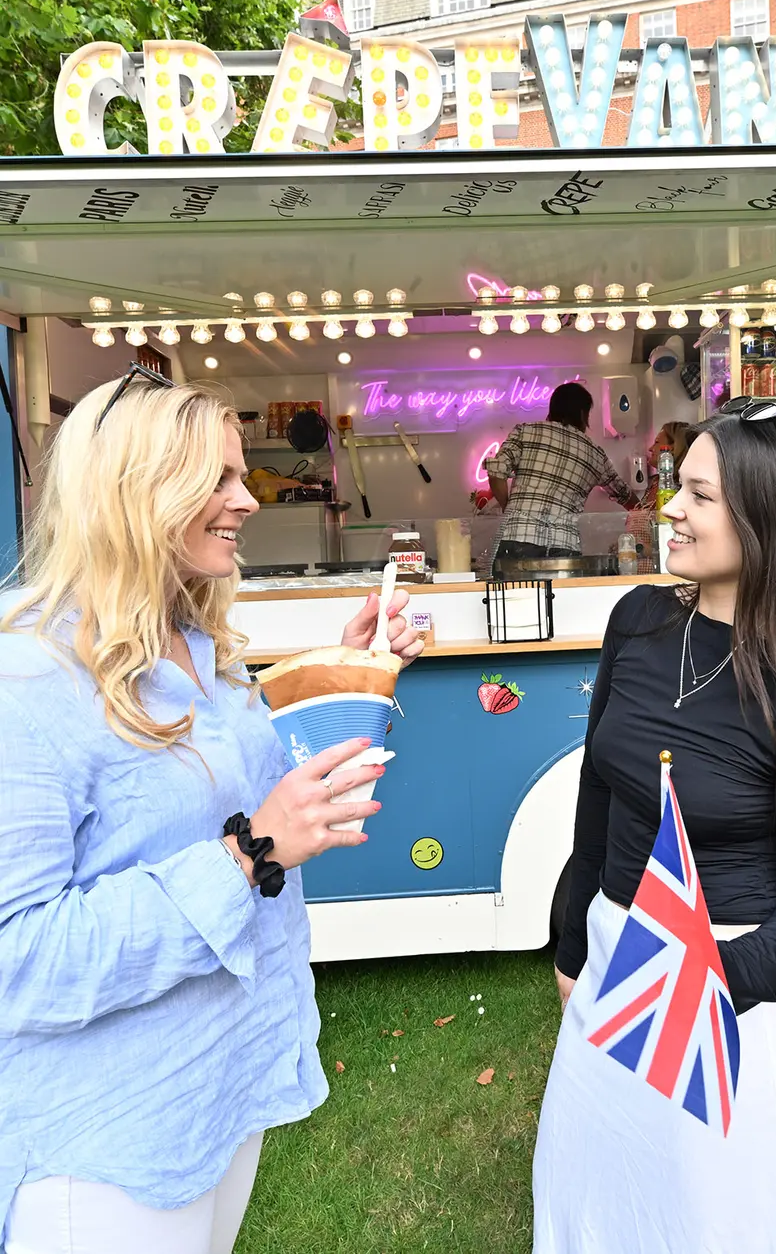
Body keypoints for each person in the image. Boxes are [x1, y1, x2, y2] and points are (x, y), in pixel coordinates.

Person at [0, 367, 423, 1254]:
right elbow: (19, 961)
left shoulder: (199, 650)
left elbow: (262, 797)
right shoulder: (28, 681)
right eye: (219, 480)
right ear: (135, 492)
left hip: (219, 1092)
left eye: (242, 475)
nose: (248, 500)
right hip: (110, 1135)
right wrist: (249, 854)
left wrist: (350, 671)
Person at [533, 398, 776, 1253]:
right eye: (677, 489)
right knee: (609, 1203)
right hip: (617, 974)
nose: (669, 510)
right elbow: (600, 799)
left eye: (697, 495)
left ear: (769, 518)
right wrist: (572, 947)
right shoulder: (639, 623)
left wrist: (683, 990)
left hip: (732, 1005)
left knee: (717, 1220)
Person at [485, 382, 636, 566]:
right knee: (558, 596)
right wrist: (647, 513)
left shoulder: (525, 431)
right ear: (583, 414)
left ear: (553, 408)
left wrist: (509, 508)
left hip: (518, 538)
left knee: (514, 594)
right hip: (564, 546)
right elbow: (624, 494)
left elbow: (496, 472)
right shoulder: (595, 453)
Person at [624, 420, 691, 573]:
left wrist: (638, 548)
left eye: (656, 443)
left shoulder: (677, 490)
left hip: (658, 576)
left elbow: (675, 541)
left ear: (671, 450)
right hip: (636, 576)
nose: (650, 448)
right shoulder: (654, 484)